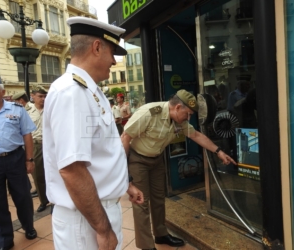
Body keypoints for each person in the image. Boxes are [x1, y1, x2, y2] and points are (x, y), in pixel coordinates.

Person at [42, 17, 144, 250]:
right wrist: (103, 229)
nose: (113, 61)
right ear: (97, 47)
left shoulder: (89, 90)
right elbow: (72, 169)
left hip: (95, 211)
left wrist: (124, 184)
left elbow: (101, 152)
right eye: (112, 52)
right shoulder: (72, 92)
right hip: (86, 219)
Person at [121, 89, 237, 250]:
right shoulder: (148, 113)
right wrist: (125, 173)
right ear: (177, 108)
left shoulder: (179, 121)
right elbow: (125, 137)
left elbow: (195, 135)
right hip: (137, 159)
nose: (188, 118)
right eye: (187, 114)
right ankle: (146, 246)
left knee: (159, 199)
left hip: (156, 160)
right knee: (141, 203)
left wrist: (219, 151)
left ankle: (161, 235)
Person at [0, 74, 37, 250]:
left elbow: (27, 134)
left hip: (16, 158)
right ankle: (4, 240)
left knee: (22, 196)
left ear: (2, 92)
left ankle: (28, 226)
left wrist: (29, 159)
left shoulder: (17, 109)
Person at [11, 91, 38, 198]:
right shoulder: (23, 110)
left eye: (16, 102)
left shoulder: (32, 110)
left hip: (34, 142)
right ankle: (36, 188)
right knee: (32, 172)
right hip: (26, 142)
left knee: (35, 169)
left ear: (21, 101)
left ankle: (39, 190)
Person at [27, 85, 49, 212]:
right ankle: (43, 201)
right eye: (40, 96)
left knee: (55, 173)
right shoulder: (28, 112)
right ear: (33, 96)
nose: (43, 99)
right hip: (36, 145)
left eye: (45, 96)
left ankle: (57, 200)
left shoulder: (51, 109)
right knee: (38, 175)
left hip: (50, 145)